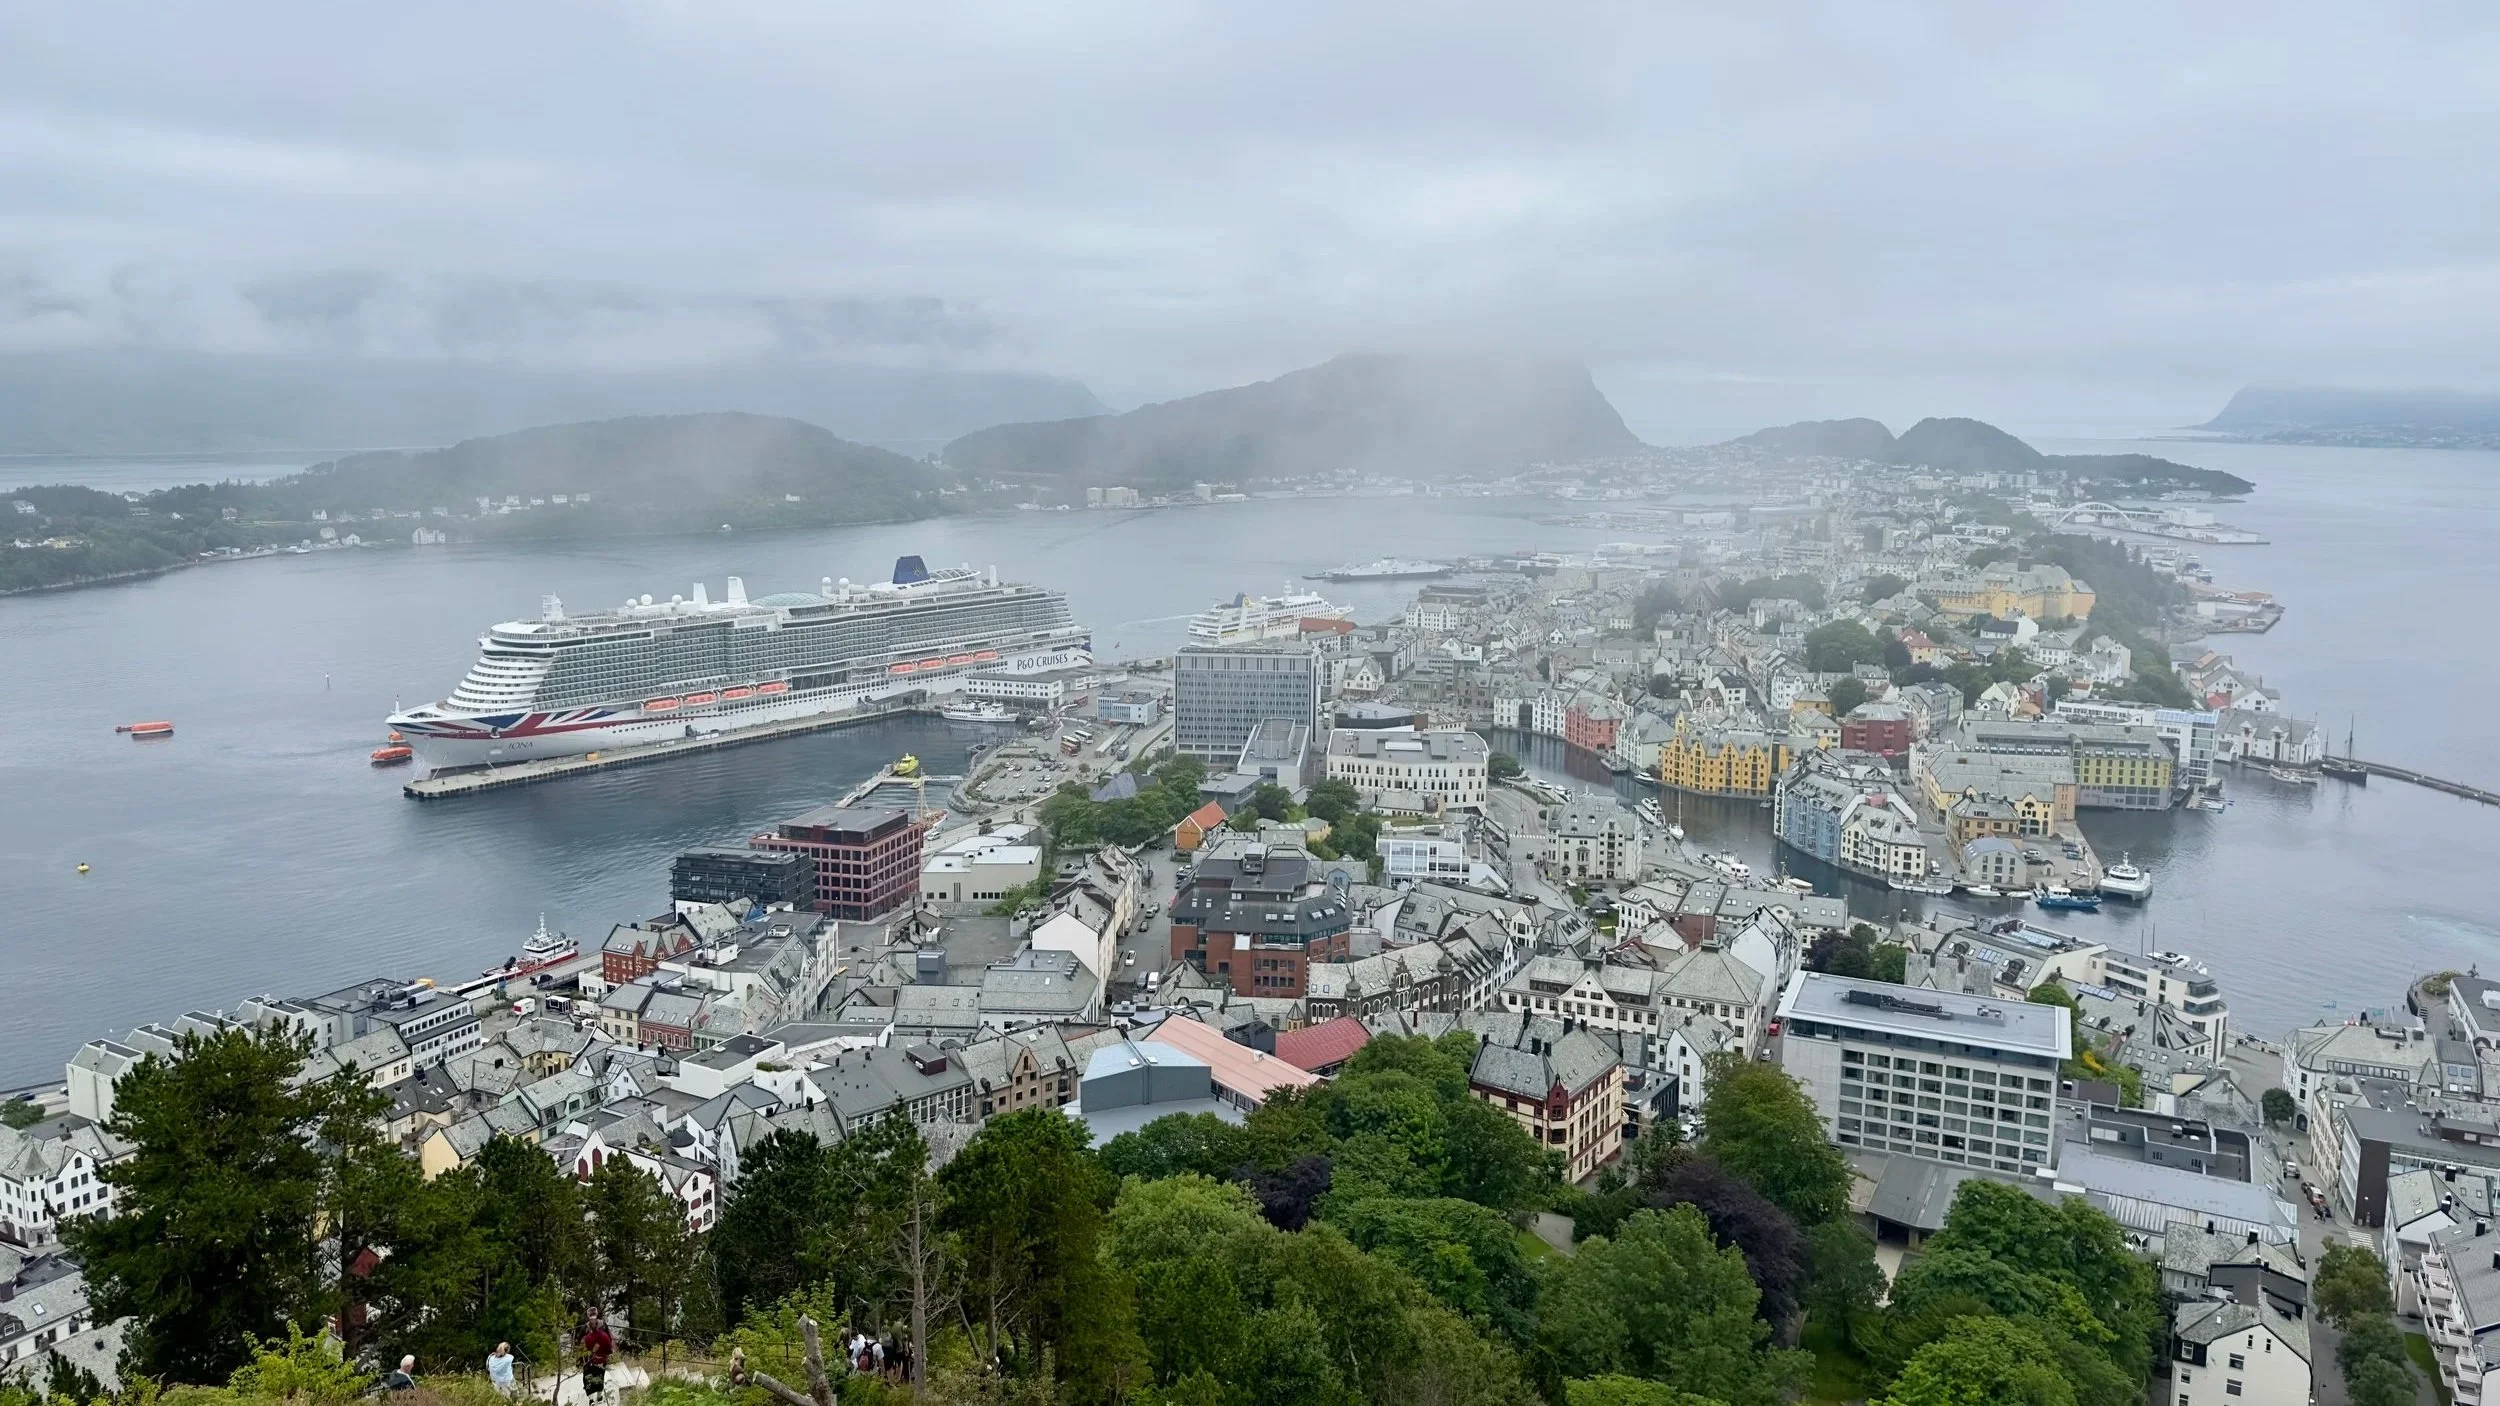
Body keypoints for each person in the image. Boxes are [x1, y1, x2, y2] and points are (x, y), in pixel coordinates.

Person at [579, 1312, 614, 1402]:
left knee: (588, 1379)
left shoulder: (585, 1337)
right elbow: (609, 1348)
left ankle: (591, 1400)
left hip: (588, 1361)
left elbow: (581, 1348)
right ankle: (599, 1397)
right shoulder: (604, 1335)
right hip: (601, 1360)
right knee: (600, 1377)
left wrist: (580, 1360)